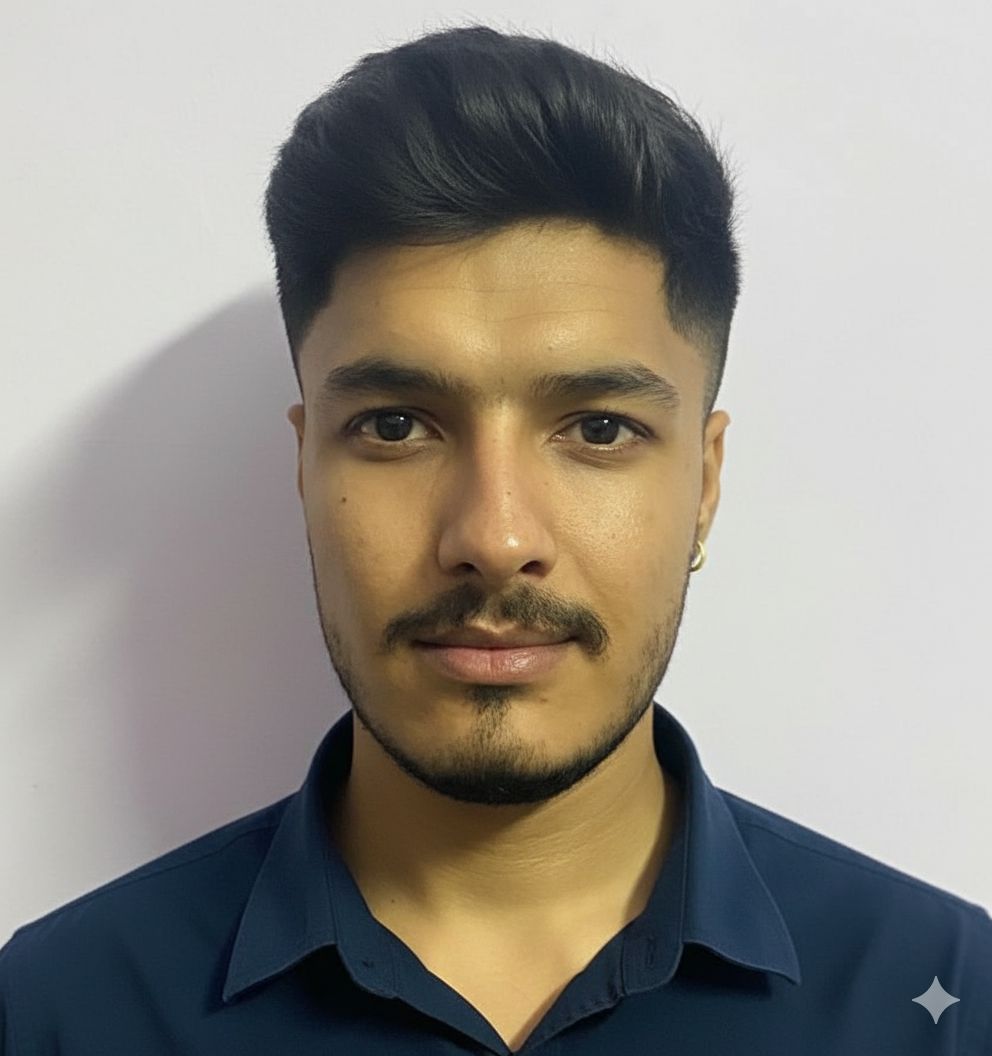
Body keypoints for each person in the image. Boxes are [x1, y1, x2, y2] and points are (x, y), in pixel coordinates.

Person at [2, 23, 989, 1056]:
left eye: (597, 429)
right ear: (305, 468)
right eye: (395, 425)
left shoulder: (946, 1001)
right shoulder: (56, 1014)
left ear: (703, 484)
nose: (495, 536)